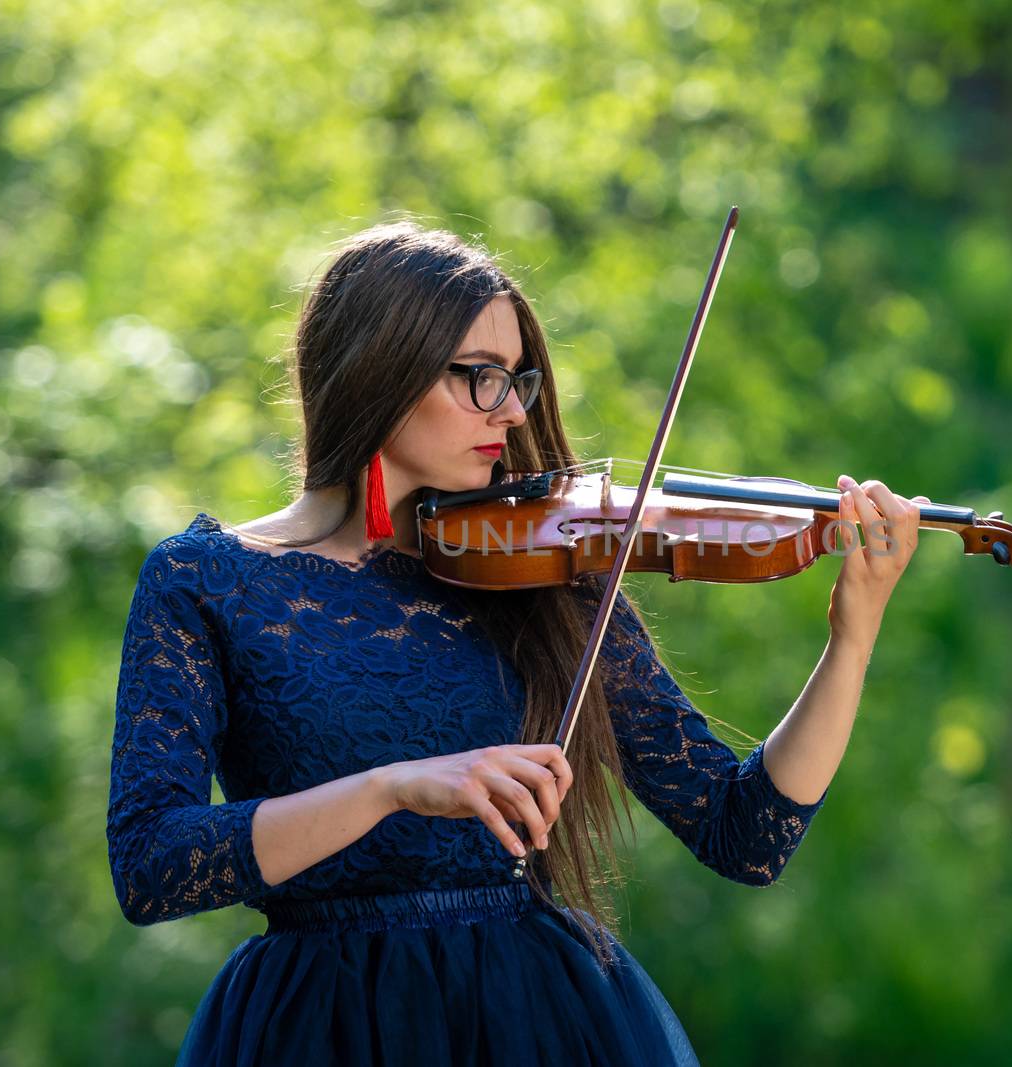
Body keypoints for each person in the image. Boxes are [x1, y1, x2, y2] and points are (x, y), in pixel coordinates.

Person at [106, 221, 928, 1065]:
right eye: (481, 379)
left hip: (527, 1018)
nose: (513, 411)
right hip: (321, 1027)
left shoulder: (542, 573)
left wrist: (852, 638)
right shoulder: (205, 582)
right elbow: (153, 864)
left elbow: (744, 834)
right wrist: (393, 787)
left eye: (517, 379)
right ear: (380, 369)